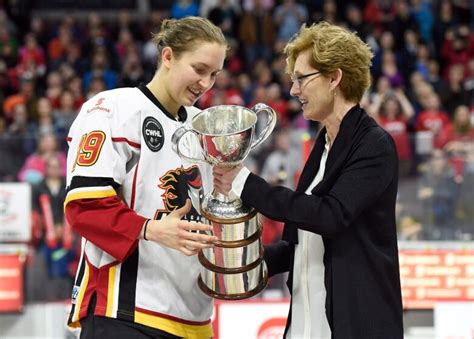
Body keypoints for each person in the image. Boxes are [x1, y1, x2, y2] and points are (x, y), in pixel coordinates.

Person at [213, 21, 403, 338]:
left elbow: (329, 216)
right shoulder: (324, 144)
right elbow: (304, 242)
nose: (293, 90)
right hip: (305, 325)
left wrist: (246, 184)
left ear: (334, 78)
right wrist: (243, 262)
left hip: (356, 325)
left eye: (302, 78)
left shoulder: (374, 144)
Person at [64, 16, 226, 338]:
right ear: (167, 57)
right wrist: (150, 229)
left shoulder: (204, 126)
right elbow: (84, 207)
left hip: (195, 316)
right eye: (199, 69)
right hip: (125, 313)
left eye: (214, 75)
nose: (206, 84)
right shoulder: (112, 109)